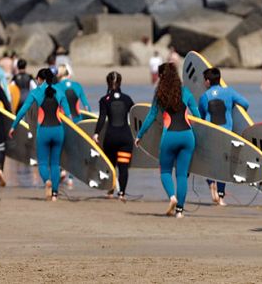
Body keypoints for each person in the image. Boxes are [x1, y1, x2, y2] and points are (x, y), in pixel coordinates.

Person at [135, 63, 200, 218]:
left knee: (165, 171)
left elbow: (151, 116)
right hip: (187, 136)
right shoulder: (186, 92)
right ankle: (180, 211)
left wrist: (139, 135)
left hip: (170, 136)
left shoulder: (160, 94)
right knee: (182, 175)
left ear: (161, 77)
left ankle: (172, 197)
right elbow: (198, 117)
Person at [9, 68, 72, 201]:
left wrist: (13, 127)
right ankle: (55, 194)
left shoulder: (36, 93)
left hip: (43, 131)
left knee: (43, 163)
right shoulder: (60, 92)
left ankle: (47, 181)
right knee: (55, 164)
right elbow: (68, 116)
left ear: (40, 79)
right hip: (58, 131)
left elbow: (22, 111)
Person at [198, 67, 250, 206]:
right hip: (226, 134)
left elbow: (201, 117)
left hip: (211, 133)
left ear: (208, 81)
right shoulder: (229, 92)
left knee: (207, 164)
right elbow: (245, 104)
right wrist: (235, 112)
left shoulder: (204, 97)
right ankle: (221, 198)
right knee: (223, 165)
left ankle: (211, 185)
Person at [94, 72, 135, 202]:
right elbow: (135, 117)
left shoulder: (104, 100)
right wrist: (139, 135)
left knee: (110, 166)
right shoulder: (127, 99)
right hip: (125, 137)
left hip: (111, 138)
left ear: (108, 82)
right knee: (123, 167)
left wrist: (96, 133)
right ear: (120, 82)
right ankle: (121, 193)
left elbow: (101, 118)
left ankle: (111, 190)